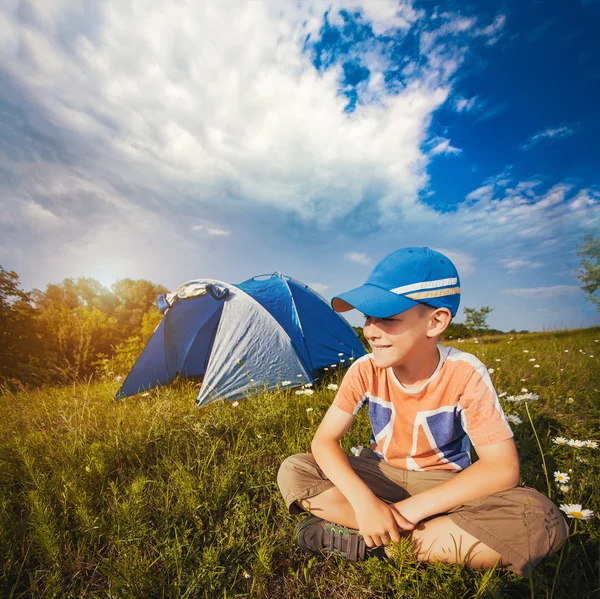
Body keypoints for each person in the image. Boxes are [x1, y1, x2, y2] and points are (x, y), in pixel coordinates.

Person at [277, 247, 568, 577]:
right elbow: (325, 441)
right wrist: (365, 502)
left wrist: (404, 511)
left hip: (440, 484)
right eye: (367, 318)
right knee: (296, 469)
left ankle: (368, 537)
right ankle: (405, 535)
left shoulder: (465, 372)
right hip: (378, 473)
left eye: (387, 318)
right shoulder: (364, 369)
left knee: (539, 519)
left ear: (436, 321)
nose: (370, 330)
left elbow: (501, 468)